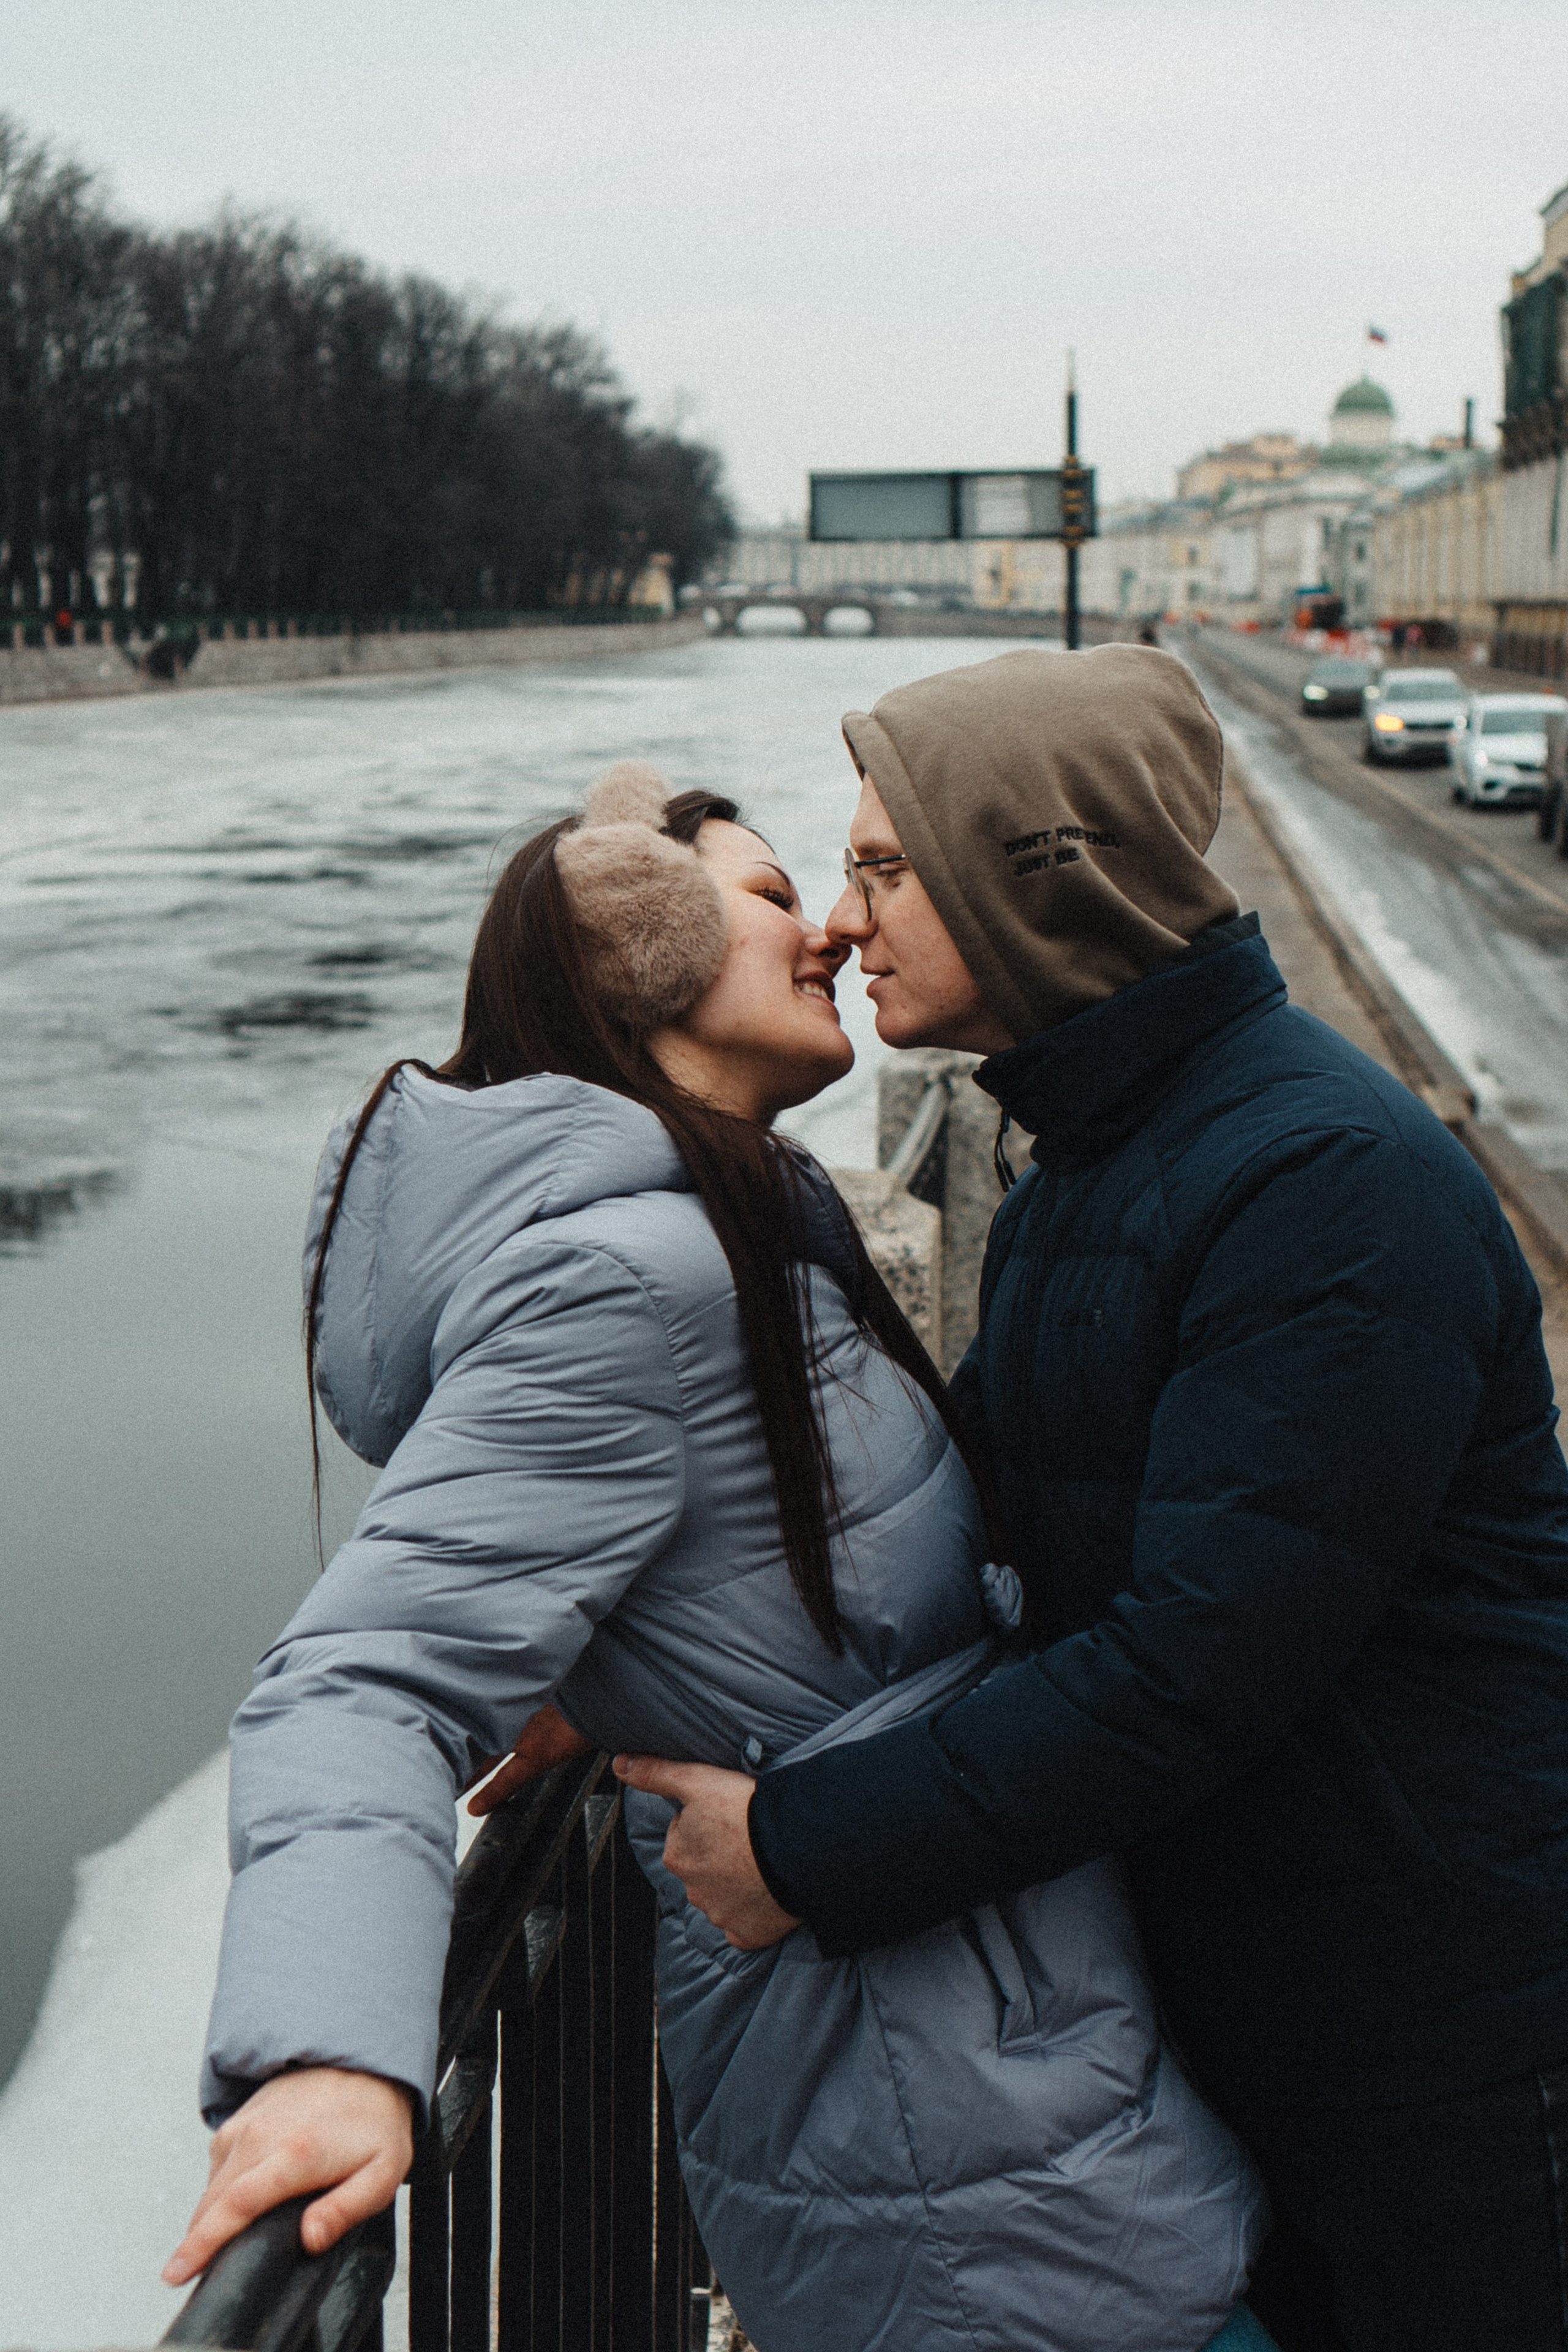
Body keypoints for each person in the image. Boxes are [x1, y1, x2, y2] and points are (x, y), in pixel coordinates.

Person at [167, 761, 1268, 2352]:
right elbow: (363, 1682)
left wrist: (611, 1673)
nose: (826, 929)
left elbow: (727, 1572)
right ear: (639, 955)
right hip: (950, 2152)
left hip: (996, 2083)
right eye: (769, 899)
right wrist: (330, 2051)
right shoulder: (637, 1282)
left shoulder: (744, 1223)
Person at [616, 647, 1568, 2352]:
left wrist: (806, 1851)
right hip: (1281, 1994)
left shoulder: (1320, 1183)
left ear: (1036, 876)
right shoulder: (1110, 1161)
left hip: (1452, 2041)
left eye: (886, 869)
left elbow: (1191, 1671)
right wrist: (596, 1653)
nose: (839, 921)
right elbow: (942, 1520)